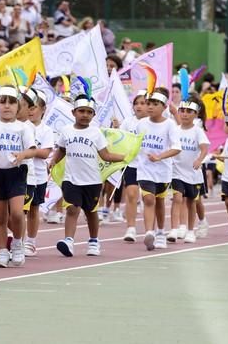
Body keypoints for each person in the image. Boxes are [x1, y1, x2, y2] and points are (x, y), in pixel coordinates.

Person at [48, 93, 125, 257]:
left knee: (91, 212)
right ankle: (68, 240)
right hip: (71, 179)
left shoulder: (96, 133)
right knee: (72, 209)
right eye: (81, 111)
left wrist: (125, 157)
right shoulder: (66, 131)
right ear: (74, 112)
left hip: (92, 181)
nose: (85, 115)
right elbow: (61, 149)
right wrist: (54, 161)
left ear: (94, 115)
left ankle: (93, 241)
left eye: (89, 112)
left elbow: (105, 155)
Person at [0, 86, 36, 268]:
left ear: (17, 106)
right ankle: (2, 251)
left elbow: (32, 150)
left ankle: (17, 243)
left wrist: (22, 155)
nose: (7, 106)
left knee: (17, 213)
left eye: (11, 102)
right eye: (3, 102)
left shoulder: (23, 128)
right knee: (0, 216)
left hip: (16, 172)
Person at [135, 88, 181, 251]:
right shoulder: (140, 124)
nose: (150, 107)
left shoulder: (170, 125)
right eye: (149, 103)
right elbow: (133, 144)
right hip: (144, 170)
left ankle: (161, 232)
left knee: (160, 201)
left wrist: (160, 157)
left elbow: (177, 148)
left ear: (164, 107)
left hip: (162, 172)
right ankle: (149, 232)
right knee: (148, 199)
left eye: (155, 104)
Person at [169, 98, 209, 244]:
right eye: (182, 111)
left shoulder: (197, 131)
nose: (185, 114)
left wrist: (199, 159)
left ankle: (191, 231)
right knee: (177, 197)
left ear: (196, 114)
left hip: (193, 174)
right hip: (176, 171)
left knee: (191, 202)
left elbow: (205, 148)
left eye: (189, 112)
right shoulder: (174, 130)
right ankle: (175, 228)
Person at [24, 91, 54, 256]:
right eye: (28, 107)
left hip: (39, 176)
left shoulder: (46, 130)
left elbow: (45, 153)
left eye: (34, 107)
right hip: (23, 175)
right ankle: (18, 240)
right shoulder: (22, 126)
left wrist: (29, 151)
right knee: (20, 210)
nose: (30, 111)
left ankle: (31, 241)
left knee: (34, 209)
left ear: (43, 109)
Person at [121, 90, 148, 242]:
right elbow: (120, 140)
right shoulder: (128, 122)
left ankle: (152, 229)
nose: (139, 106)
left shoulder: (152, 122)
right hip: (132, 164)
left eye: (143, 103)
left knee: (149, 198)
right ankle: (130, 228)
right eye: (136, 103)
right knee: (131, 194)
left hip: (149, 165)